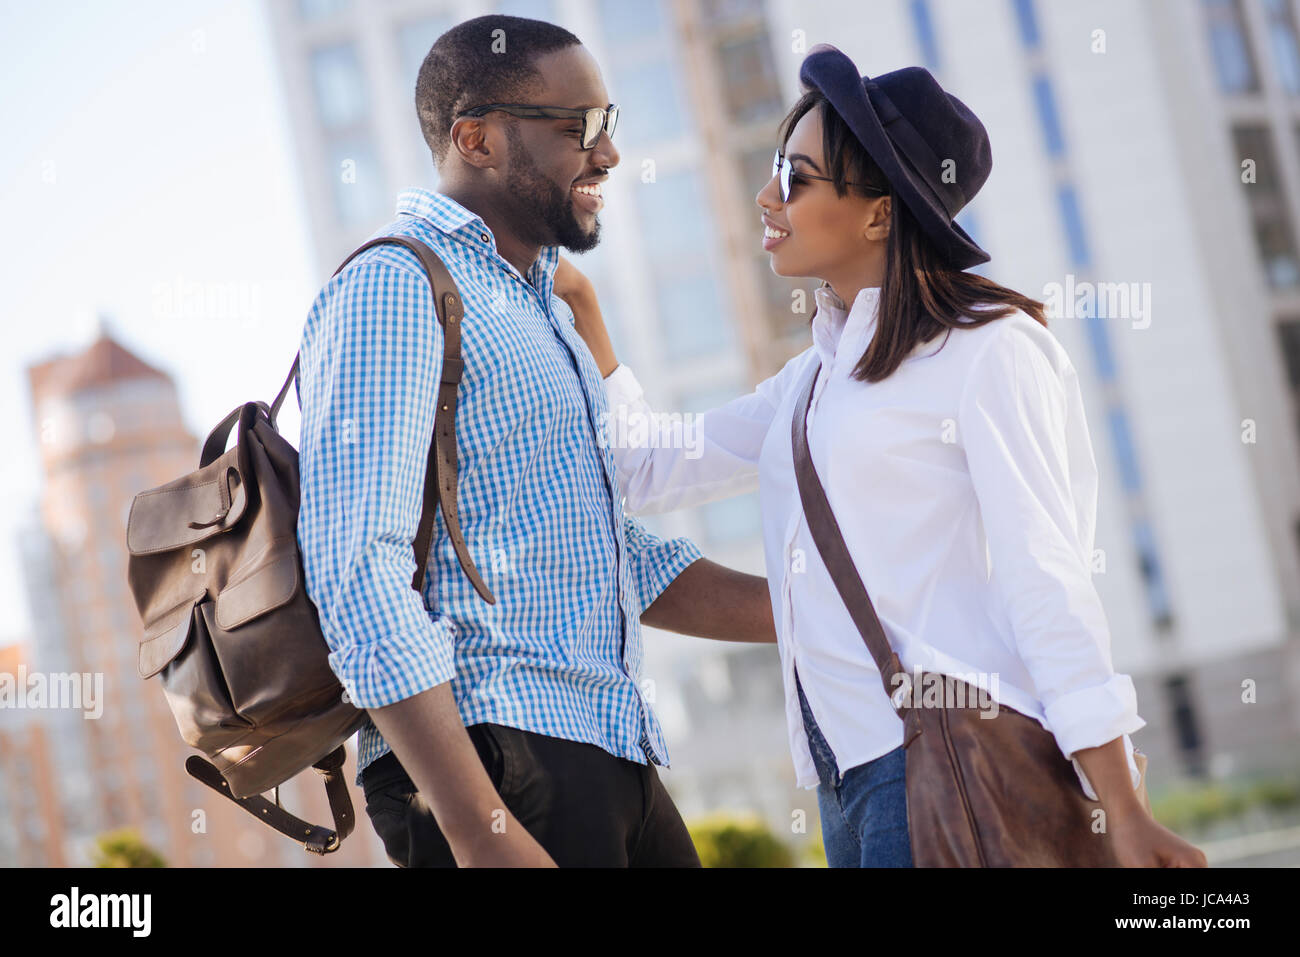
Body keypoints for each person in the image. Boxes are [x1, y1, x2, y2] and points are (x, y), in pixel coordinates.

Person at [556, 44, 1207, 868]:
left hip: (950, 765)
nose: (768, 196)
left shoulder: (989, 352)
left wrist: (1120, 802)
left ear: (878, 212)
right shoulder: (811, 382)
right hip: (849, 781)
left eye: (797, 177)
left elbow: (1046, 577)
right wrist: (588, 318)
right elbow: (647, 468)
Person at [294, 14, 777, 868]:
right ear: (475, 138)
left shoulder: (537, 308)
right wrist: (478, 829)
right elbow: (354, 566)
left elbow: (606, 550)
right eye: (577, 128)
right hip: (498, 757)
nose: (608, 154)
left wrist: (833, 614)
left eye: (609, 124)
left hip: (607, 748)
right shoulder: (394, 287)